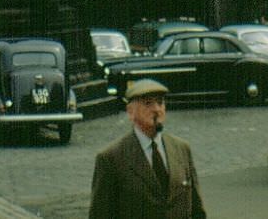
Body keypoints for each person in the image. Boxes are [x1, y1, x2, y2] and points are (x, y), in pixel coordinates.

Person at [88, 78, 206, 219]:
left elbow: (197, 209)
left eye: (160, 103)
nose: (156, 109)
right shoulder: (111, 158)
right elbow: (100, 214)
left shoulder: (181, 149)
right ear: (131, 112)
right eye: (148, 103)